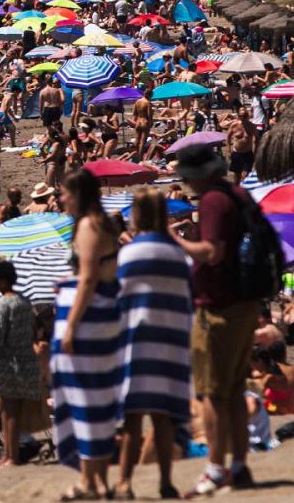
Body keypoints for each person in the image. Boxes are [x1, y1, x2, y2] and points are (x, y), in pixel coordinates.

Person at [172, 143, 262, 496]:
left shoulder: (213, 201)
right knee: (235, 389)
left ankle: (215, 469)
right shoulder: (240, 195)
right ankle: (238, 466)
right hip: (245, 301)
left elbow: (211, 253)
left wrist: (175, 239)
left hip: (218, 304)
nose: (188, 185)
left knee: (210, 391)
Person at [114, 189, 191, 500]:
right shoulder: (176, 252)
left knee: (131, 418)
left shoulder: (131, 252)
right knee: (163, 417)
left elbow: (119, 298)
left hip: (136, 340)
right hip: (170, 339)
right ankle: (166, 481)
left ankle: (123, 482)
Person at [51, 168, 123, 500]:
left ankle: (94, 481)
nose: (60, 198)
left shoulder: (89, 225)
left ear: (78, 194)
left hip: (89, 321)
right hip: (92, 316)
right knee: (90, 400)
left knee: (88, 400)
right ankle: (91, 481)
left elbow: (90, 279)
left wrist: (71, 327)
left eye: (64, 193)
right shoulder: (97, 223)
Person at [0, 259, 42, 469]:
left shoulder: (2, 304)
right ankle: (8, 454)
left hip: (8, 363)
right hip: (25, 361)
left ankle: (11, 456)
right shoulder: (24, 301)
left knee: (9, 412)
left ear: (4, 281)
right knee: (10, 411)